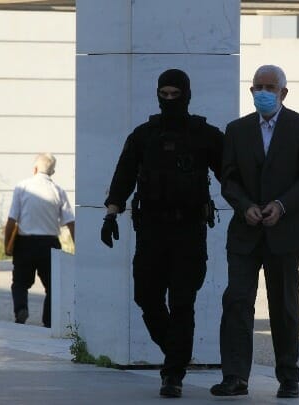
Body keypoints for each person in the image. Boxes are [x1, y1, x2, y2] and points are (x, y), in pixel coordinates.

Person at [100, 68, 223, 398]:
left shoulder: (205, 135)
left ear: (186, 95)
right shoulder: (143, 136)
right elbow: (123, 178)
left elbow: (231, 174)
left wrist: (250, 205)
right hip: (152, 231)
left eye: (175, 95)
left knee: (182, 302)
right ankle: (176, 352)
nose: (169, 100)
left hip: (189, 232)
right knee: (146, 297)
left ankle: (173, 374)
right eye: (164, 94)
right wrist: (111, 215)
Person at [210, 65, 299, 399]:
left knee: (283, 305)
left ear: (283, 92)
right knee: (237, 301)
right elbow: (228, 178)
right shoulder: (237, 130)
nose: (263, 92)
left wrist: (282, 205)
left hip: (287, 231)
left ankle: (288, 377)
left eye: (269, 87)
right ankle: (235, 376)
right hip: (245, 231)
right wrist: (244, 205)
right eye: (257, 86)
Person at [4, 153, 75, 328]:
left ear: (35, 169)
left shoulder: (22, 187)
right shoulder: (58, 191)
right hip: (50, 244)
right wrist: (78, 246)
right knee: (52, 286)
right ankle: (48, 322)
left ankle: (21, 309)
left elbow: (12, 220)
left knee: (20, 283)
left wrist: (7, 246)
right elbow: (70, 222)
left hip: (25, 243)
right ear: (53, 172)